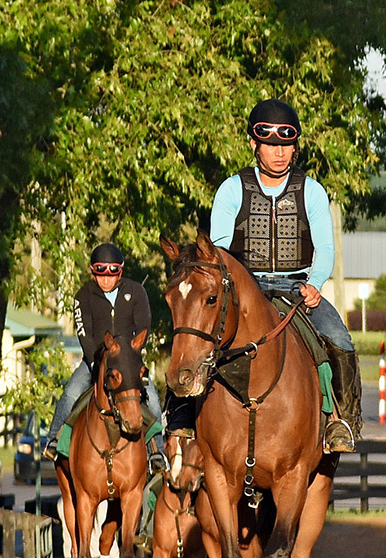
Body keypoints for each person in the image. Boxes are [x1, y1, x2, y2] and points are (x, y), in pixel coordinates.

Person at [167, 98, 360, 454]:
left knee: (339, 337)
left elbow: (326, 248)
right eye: (271, 144)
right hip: (244, 286)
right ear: (254, 144)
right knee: (196, 327)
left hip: (295, 287)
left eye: (286, 144)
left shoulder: (312, 191)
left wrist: (315, 285)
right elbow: (221, 250)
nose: (279, 152)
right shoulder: (231, 189)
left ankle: (342, 420)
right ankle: (179, 414)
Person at [41, 243, 167, 476]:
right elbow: (83, 333)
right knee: (71, 392)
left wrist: (131, 355)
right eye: (100, 274)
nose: (106, 280)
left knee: (154, 402)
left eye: (112, 274)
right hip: (95, 359)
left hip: (128, 360)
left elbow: (143, 327)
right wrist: (94, 361)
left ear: (120, 272)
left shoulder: (137, 292)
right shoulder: (83, 296)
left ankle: (156, 452)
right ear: (92, 271)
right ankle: (53, 441)